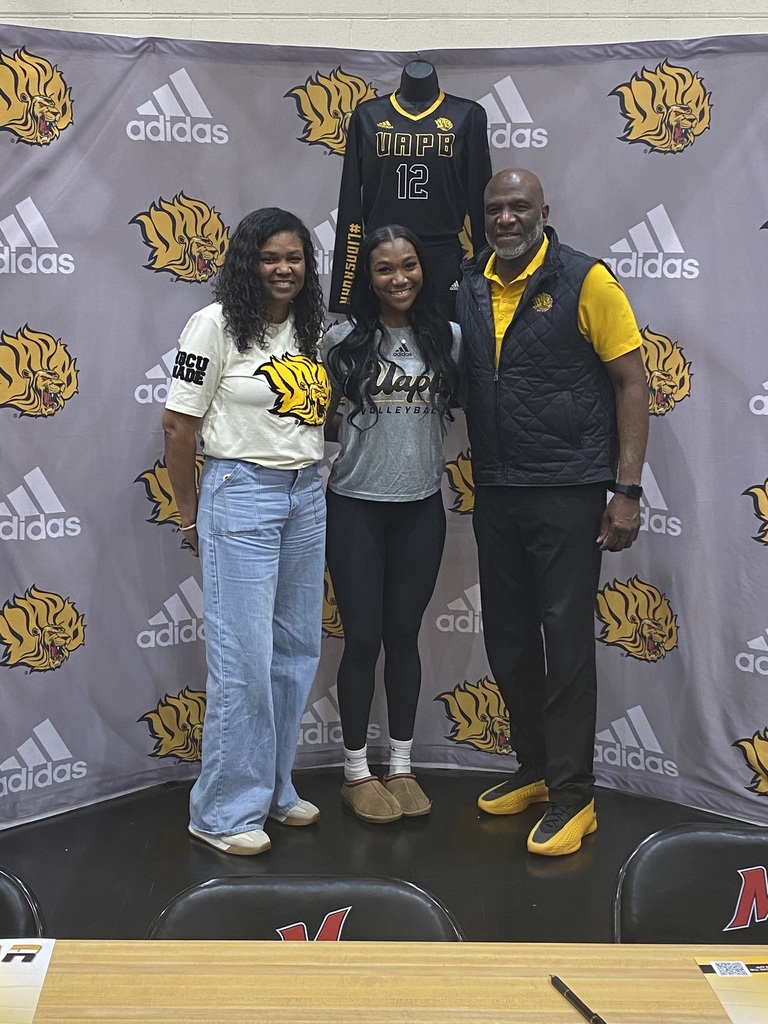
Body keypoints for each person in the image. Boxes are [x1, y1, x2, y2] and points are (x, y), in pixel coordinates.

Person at [456, 169, 649, 857]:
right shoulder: (469, 284)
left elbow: (633, 382)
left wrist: (625, 490)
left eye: (518, 207)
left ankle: (575, 797)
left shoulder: (585, 279)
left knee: (564, 645)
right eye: (494, 209)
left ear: (544, 210)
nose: (505, 219)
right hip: (498, 488)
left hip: (569, 489)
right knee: (508, 641)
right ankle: (535, 772)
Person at [162, 208, 330, 855]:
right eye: (270, 258)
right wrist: (187, 514)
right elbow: (178, 427)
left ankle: (273, 788)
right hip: (241, 494)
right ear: (246, 262)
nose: (284, 269)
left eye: (294, 258)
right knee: (243, 659)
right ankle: (222, 810)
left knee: (295, 651)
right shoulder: (213, 325)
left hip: (303, 495)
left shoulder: (310, 325)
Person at [322, 224, 460, 823]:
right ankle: (356, 771)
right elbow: (307, 421)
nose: (399, 278)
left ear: (422, 270)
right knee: (363, 640)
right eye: (384, 268)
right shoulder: (341, 339)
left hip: (421, 507)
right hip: (354, 506)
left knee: (404, 637)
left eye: (408, 265)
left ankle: (401, 766)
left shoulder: (447, 338)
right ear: (368, 277)